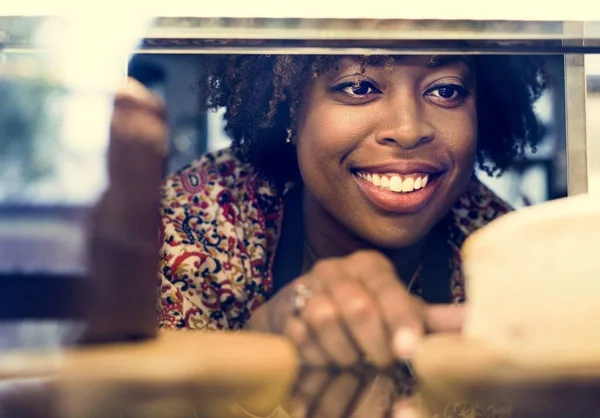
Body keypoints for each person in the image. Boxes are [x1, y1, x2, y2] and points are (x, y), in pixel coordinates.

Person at [148, 54, 548, 369]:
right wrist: (255, 359)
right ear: (290, 106)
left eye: (445, 91)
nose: (408, 130)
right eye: (359, 86)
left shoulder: (507, 257)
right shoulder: (190, 223)